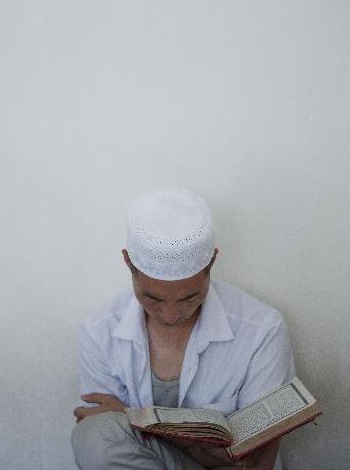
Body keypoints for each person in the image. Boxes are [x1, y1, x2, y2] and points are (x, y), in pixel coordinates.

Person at [71, 187, 295, 470]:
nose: (171, 314)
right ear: (128, 262)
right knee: (95, 435)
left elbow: (255, 462)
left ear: (212, 261)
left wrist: (133, 419)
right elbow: (105, 442)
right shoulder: (98, 331)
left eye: (190, 297)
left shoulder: (262, 329)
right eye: (152, 298)